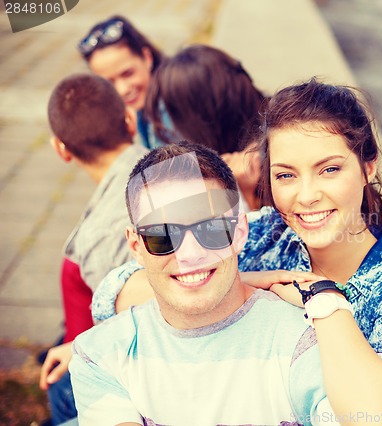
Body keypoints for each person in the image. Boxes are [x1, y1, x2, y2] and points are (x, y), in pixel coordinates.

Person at [93, 79, 382, 424]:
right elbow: (114, 292)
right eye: (286, 176)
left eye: (329, 170)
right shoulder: (263, 232)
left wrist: (323, 301)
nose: (306, 196)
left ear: (368, 166)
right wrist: (246, 283)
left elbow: (381, 419)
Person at [39, 73, 149, 425]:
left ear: (61, 149)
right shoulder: (160, 164)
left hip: (112, 367)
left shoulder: (102, 235)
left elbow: (135, 326)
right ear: (129, 121)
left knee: (61, 390)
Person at [146, 44, 266, 210]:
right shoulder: (266, 126)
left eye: (173, 112)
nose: (168, 128)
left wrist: (245, 197)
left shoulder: (266, 161)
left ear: (202, 115)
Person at [77, 15, 175, 149]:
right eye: (109, 83)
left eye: (128, 73)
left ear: (147, 57)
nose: (122, 90)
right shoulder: (144, 104)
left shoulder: (173, 106)